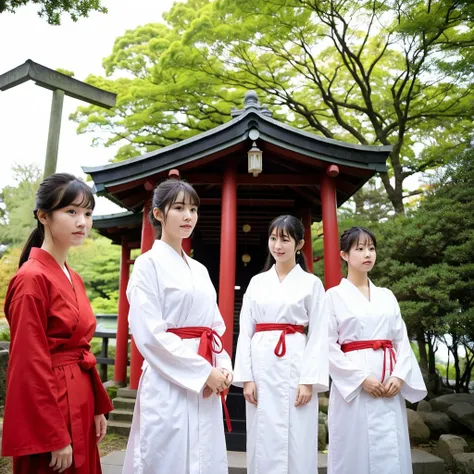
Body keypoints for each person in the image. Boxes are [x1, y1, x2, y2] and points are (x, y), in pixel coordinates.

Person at [2, 173, 113, 474]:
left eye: (88, 214)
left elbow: (80, 348)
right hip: (51, 407)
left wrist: (97, 407)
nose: (83, 222)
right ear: (44, 216)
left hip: (80, 399)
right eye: (72, 212)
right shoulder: (30, 279)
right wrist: (51, 433)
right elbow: (29, 363)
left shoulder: (72, 276)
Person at [122, 178, 233, 474]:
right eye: (180, 208)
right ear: (159, 214)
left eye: (194, 209)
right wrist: (203, 371)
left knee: (205, 457)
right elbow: (150, 335)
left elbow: (214, 327)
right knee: (166, 456)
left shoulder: (199, 269)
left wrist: (222, 367)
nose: (188, 217)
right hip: (167, 377)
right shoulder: (147, 265)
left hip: (206, 377)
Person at [327, 226, 427, 474]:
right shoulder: (333, 296)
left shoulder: (387, 296)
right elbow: (327, 346)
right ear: (344, 255)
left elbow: (400, 340)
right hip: (354, 386)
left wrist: (399, 375)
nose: (367, 254)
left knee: (390, 448)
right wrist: (360, 378)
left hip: (388, 380)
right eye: (359, 249)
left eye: (371, 248)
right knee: (353, 448)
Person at [233, 215, 328, 474]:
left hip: (297, 365)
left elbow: (319, 334)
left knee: (297, 435)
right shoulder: (257, 282)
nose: (277, 245)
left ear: (299, 244)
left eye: (285, 239)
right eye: (273, 238)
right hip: (262, 367)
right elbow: (246, 332)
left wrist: (308, 380)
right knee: (262, 433)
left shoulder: (312, 283)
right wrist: (247, 378)